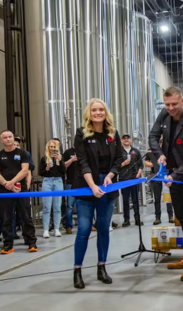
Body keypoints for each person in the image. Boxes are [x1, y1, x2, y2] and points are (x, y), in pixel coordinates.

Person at [149, 86, 183, 282]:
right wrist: (159, 154)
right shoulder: (164, 114)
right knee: (180, 217)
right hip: (173, 177)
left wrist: (175, 175)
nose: (170, 108)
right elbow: (153, 137)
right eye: (167, 104)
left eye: (174, 104)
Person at [71, 98, 124, 289]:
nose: (98, 112)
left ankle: (101, 267)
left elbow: (119, 158)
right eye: (94, 110)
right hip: (86, 186)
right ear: (89, 113)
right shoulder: (81, 133)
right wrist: (93, 186)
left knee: (103, 228)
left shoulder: (113, 133)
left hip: (107, 186)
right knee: (84, 229)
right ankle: (77, 270)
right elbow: (83, 162)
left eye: (101, 109)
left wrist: (110, 175)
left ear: (106, 112)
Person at [0, 130, 38, 254]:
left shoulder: (23, 153)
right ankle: (8, 244)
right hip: (5, 190)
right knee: (6, 217)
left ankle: (31, 242)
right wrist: (7, 184)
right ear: (1, 140)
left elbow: (25, 171)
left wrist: (12, 183)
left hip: (20, 189)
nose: (8, 139)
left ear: (13, 138)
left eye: (10, 137)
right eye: (5, 137)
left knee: (26, 216)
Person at [39, 139, 65, 238]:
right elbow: (41, 173)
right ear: (48, 148)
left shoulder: (59, 158)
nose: (52, 149)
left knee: (57, 206)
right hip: (47, 181)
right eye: (51, 147)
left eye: (54, 147)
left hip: (58, 181)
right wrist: (47, 167)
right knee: (46, 206)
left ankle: (56, 228)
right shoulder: (44, 158)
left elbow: (63, 172)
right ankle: (46, 229)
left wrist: (59, 161)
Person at [118, 134, 143, 227]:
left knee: (135, 199)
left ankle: (137, 219)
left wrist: (138, 173)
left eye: (128, 138)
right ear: (121, 140)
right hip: (124, 179)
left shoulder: (136, 151)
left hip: (134, 179)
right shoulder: (119, 152)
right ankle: (126, 219)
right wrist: (124, 163)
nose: (126, 140)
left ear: (131, 140)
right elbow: (115, 166)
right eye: (124, 138)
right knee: (125, 200)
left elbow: (141, 164)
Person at [144, 147, 174, 225]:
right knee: (156, 198)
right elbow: (146, 163)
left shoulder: (167, 150)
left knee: (168, 197)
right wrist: (155, 164)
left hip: (166, 176)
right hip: (155, 176)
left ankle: (170, 216)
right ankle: (157, 217)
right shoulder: (151, 151)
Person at [63, 146, 77, 234]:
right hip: (70, 182)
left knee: (83, 206)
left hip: (83, 183)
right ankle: (68, 226)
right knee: (70, 206)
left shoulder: (86, 150)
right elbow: (63, 166)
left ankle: (89, 225)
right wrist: (71, 160)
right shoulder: (68, 152)